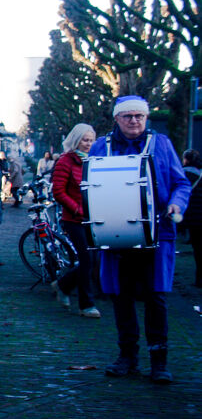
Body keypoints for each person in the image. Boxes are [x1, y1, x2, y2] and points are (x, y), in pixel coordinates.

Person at [91, 95, 190, 384]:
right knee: (121, 297)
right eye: (128, 116)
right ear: (117, 119)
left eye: (139, 116)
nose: (134, 121)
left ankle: (159, 361)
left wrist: (176, 204)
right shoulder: (102, 147)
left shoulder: (161, 145)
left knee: (155, 297)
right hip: (115, 234)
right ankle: (127, 357)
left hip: (156, 233)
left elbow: (181, 183)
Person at [49, 124, 100, 318]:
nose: (88, 144)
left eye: (90, 140)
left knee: (92, 259)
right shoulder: (66, 161)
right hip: (74, 218)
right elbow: (59, 191)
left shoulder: (94, 160)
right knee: (87, 258)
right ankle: (86, 304)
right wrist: (77, 208)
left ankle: (63, 284)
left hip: (93, 217)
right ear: (76, 140)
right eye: (85, 140)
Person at [181, 149, 202, 288]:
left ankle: (199, 279)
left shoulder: (182, 174)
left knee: (198, 250)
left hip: (194, 218)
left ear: (186, 160)